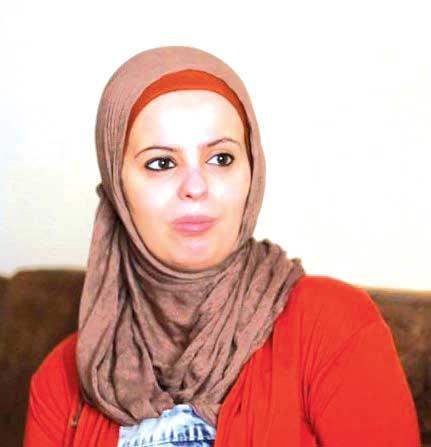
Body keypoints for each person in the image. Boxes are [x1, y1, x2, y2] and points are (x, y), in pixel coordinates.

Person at [23, 45, 422, 447]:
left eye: (221, 158)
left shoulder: (333, 325)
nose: (196, 186)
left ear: (252, 171)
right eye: (161, 163)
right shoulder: (63, 379)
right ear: (117, 187)